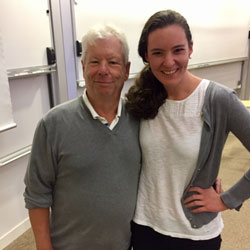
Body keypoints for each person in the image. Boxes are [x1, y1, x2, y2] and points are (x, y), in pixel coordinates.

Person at [125, 9, 250, 250]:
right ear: (146, 56)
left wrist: (226, 200)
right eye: (158, 53)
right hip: (144, 228)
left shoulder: (218, 99)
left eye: (178, 50)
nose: (169, 61)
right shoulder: (139, 100)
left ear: (190, 48)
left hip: (195, 235)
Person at [24, 24, 141, 250]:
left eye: (113, 62)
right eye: (95, 62)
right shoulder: (53, 124)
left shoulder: (140, 120)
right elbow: (37, 195)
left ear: (126, 70)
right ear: (83, 66)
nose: (103, 70)